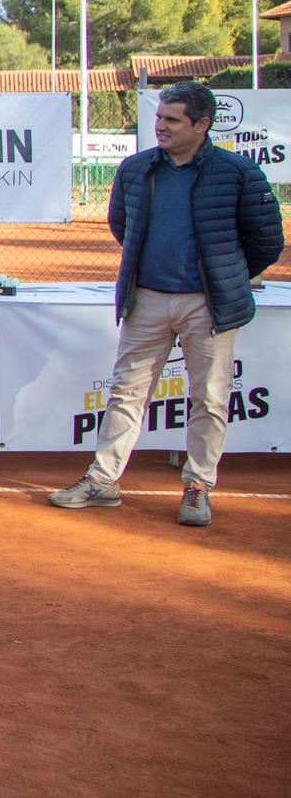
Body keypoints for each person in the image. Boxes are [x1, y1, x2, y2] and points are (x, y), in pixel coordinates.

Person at [48, 80, 284, 527]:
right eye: (158, 118)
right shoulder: (135, 169)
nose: (161, 126)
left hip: (209, 306)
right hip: (147, 300)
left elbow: (267, 241)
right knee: (125, 393)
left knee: (210, 399)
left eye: (172, 120)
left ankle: (198, 485)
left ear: (202, 124)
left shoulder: (239, 173)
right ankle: (103, 480)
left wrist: (226, 274)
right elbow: (123, 225)